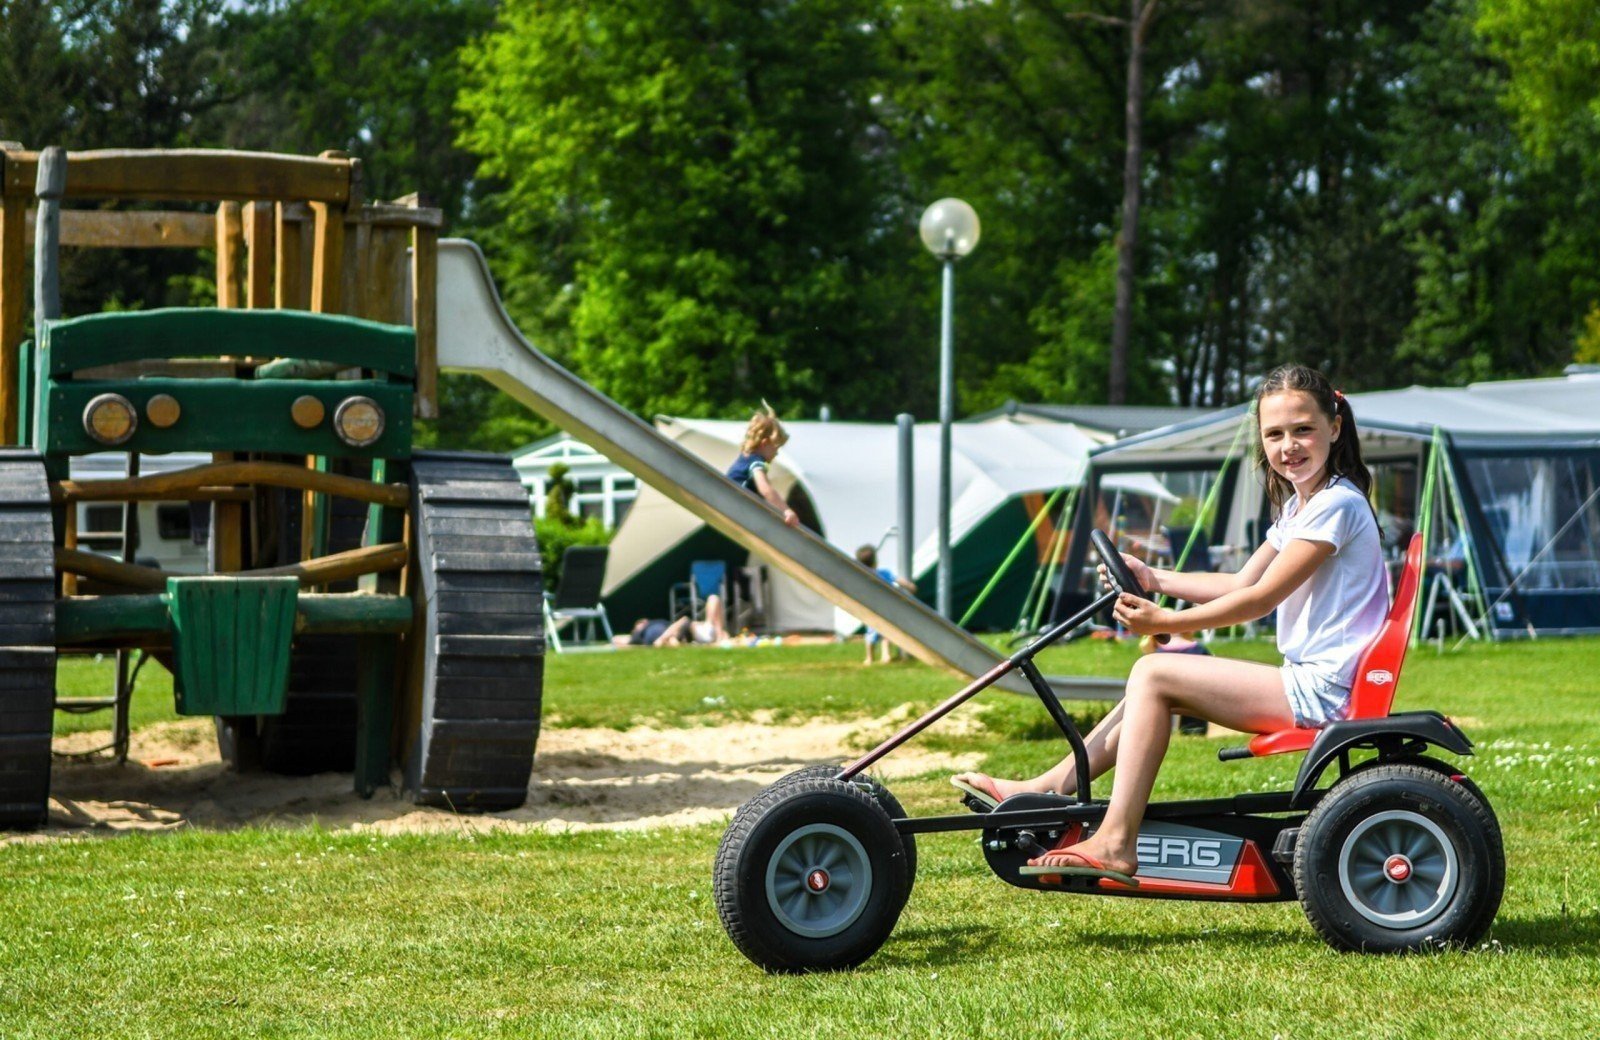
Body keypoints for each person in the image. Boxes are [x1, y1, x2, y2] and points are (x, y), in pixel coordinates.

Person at [952, 364, 1387, 886]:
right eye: (1274, 434)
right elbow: (1238, 581)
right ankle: (1049, 789)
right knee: (1153, 683)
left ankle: (1115, 842)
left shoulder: (1334, 504)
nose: (1289, 446)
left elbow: (1258, 600)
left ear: (1333, 428)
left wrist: (1165, 620)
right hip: (1316, 680)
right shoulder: (1303, 505)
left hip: (1326, 691)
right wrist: (1152, 575)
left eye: (1303, 430)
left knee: (1155, 674)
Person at [726, 403, 800, 528]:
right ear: (764, 443)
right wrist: (786, 510)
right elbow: (765, 489)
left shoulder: (744, 458)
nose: (776, 453)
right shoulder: (756, 462)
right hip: (735, 506)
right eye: (776, 448)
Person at [854, 544, 918, 665]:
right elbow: (899, 580)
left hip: (871, 608)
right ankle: (886, 655)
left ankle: (869, 657)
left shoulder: (861, 576)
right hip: (887, 607)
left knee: (871, 633)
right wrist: (910, 586)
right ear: (875, 561)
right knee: (887, 632)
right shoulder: (884, 572)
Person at [618, 594, 729, 647]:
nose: (643, 622)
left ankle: (720, 636)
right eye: (639, 623)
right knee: (713, 599)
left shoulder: (660, 625)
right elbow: (618, 639)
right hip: (702, 633)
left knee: (714, 599)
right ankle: (719, 636)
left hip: (702, 631)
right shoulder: (639, 635)